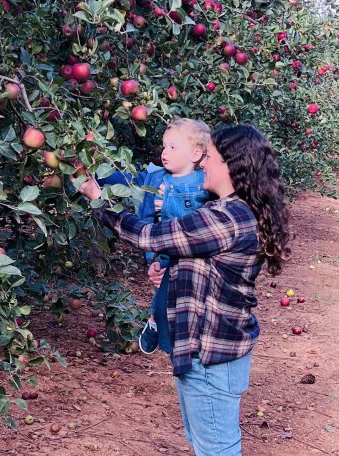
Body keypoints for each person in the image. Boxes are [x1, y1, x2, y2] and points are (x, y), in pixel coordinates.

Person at [77, 125, 291, 456]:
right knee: (206, 445)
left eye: (211, 156)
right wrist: (171, 269)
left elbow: (151, 235)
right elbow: (202, 259)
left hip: (210, 356)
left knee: (217, 450)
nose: (203, 162)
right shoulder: (227, 210)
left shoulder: (228, 217)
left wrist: (98, 199)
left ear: (231, 165)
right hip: (206, 350)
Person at [98, 118, 211, 354]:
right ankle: (156, 322)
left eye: (173, 147)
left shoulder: (205, 183)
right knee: (163, 288)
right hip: (159, 245)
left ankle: (160, 323)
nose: (165, 152)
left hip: (190, 251)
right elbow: (127, 180)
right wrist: (97, 172)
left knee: (179, 293)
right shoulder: (155, 177)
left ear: (195, 154)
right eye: (164, 146)